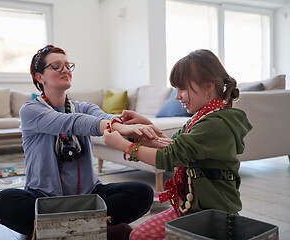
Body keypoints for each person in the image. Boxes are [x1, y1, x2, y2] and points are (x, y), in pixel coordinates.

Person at [0, 45, 159, 239]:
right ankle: (90, 226)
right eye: (56, 66)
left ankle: (57, 229)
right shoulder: (30, 110)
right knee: (3, 201)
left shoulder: (83, 107)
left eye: (68, 65)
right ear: (39, 77)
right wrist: (114, 125)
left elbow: (104, 117)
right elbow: (69, 122)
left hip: (89, 196)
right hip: (44, 198)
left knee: (142, 192)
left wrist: (135, 129)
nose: (65, 69)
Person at [103, 49, 253, 240]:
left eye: (182, 89)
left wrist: (124, 146)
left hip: (212, 214)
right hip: (189, 208)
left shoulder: (215, 123)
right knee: (138, 235)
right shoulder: (202, 118)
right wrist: (148, 126)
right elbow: (174, 145)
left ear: (208, 86)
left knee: (139, 236)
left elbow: (168, 157)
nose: (177, 96)